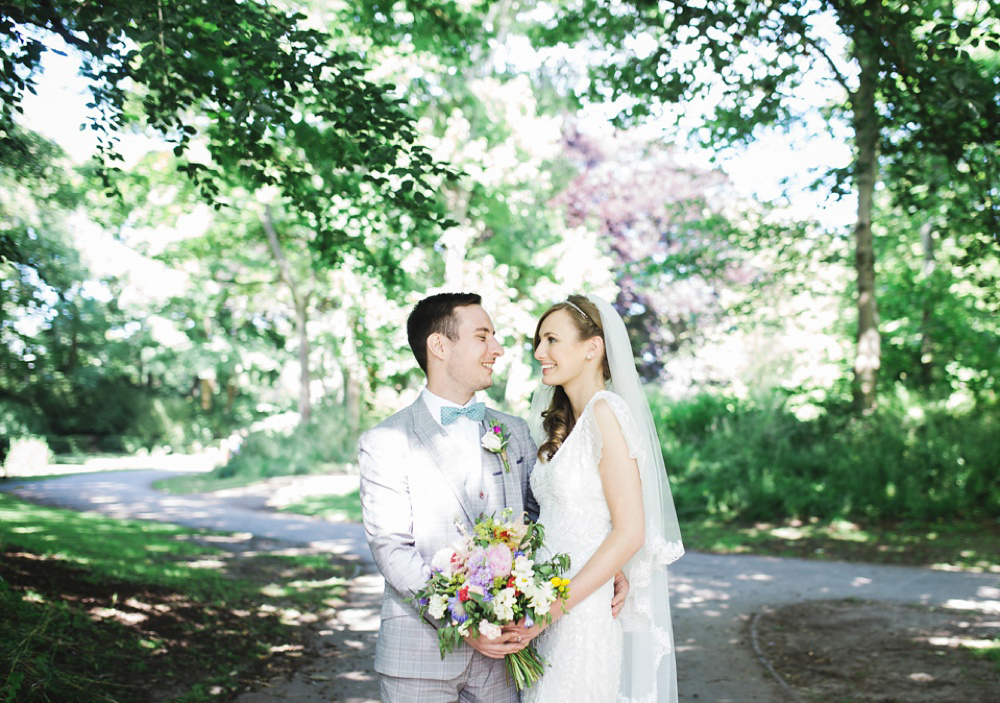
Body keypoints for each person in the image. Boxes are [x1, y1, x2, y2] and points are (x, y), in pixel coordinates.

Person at [358, 292, 627, 703]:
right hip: (420, 658)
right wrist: (462, 623)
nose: (497, 350)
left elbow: (541, 521)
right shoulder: (386, 441)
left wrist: (597, 561)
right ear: (440, 346)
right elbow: (392, 549)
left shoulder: (514, 430)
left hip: (505, 662)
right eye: (483, 337)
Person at [507, 293, 684, 703]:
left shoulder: (607, 413)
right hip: (547, 603)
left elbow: (630, 531)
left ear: (593, 348)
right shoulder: (568, 424)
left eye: (551, 340)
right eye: (539, 341)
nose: (539, 352)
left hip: (578, 612)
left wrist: (550, 610)